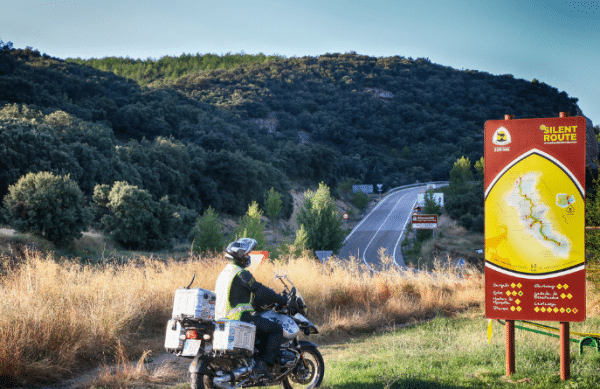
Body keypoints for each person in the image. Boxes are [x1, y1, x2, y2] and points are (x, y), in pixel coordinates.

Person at [214, 238, 287, 380]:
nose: (248, 257)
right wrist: (280, 299)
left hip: (221, 320)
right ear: (240, 256)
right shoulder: (241, 273)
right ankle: (264, 364)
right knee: (276, 329)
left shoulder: (224, 273)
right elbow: (260, 289)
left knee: (262, 328)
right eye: (246, 255)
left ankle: (254, 360)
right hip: (239, 318)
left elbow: (236, 295)